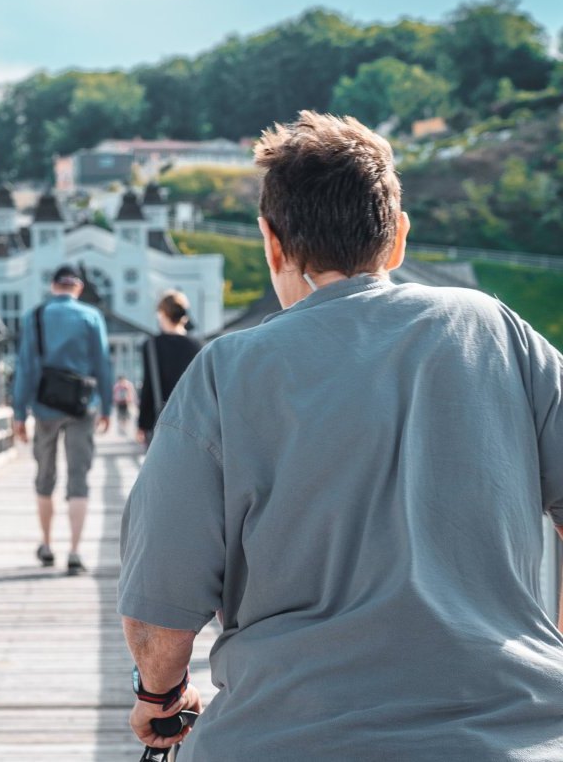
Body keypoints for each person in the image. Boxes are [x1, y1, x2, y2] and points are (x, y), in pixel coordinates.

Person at [118, 111, 563, 759]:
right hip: (512, 737)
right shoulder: (499, 332)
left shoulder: (225, 371)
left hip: (282, 739)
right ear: (399, 238)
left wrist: (160, 697)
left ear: (272, 242)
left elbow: (158, 617)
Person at [13, 264, 114, 575]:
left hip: (44, 406)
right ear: (78, 287)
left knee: (45, 476)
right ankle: (74, 551)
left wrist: (18, 412)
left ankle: (46, 545)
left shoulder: (35, 316)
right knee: (78, 479)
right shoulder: (91, 316)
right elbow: (103, 364)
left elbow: (26, 368)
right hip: (83, 407)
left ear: (53, 286)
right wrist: (108, 406)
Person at [137, 291, 202, 447]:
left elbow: (149, 386)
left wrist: (142, 423)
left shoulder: (151, 345)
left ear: (161, 314)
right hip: (190, 421)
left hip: (160, 419)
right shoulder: (196, 345)